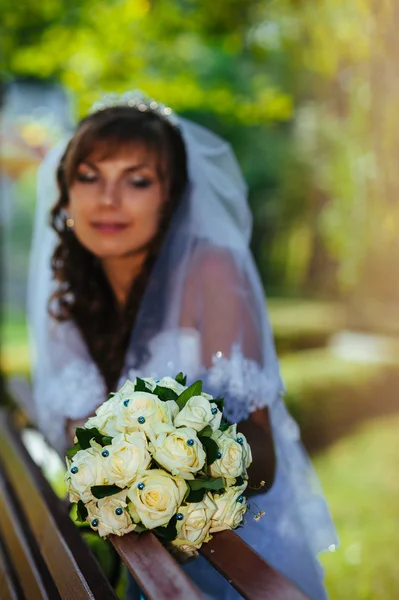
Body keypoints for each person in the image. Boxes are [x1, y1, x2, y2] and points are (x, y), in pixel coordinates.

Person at [28, 91, 338, 600]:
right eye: (90, 176)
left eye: (137, 180)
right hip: (148, 560)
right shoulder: (71, 293)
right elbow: (71, 429)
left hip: (242, 563)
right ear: (65, 194)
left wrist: (168, 463)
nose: (108, 199)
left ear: (171, 197)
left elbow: (260, 457)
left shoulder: (211, 272)